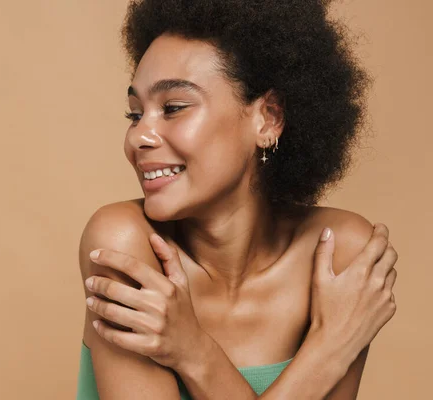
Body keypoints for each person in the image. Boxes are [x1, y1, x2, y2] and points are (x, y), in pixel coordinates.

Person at [76, 0, 398, 398]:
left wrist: (193, 351)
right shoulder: (125, 245)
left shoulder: (339, 253)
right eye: (135, 114)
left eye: (173, 108)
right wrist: (329, 351)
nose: (138, 136)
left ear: (268, 118)